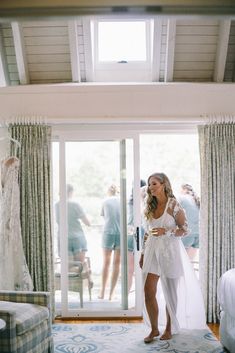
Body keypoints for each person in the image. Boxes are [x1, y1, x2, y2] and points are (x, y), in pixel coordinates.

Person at [139, 173, 206, 343]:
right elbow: (147, 233)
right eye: (149, 184)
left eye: (154, 183)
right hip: (152, 251)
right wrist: (142, 254)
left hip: (170, 251)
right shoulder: (149, 205)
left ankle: (169, 327)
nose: (150, 187)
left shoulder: (173, 204)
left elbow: (185, 229)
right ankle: (154, 329)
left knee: (170, 292)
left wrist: (166, 232)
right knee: (148, 291)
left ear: (163, 184)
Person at [55, 184, 91, 268]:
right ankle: (87, 278)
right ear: (70, 192)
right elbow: (87, 223)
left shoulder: (56, 205)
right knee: (79, 268)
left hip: (63, 238)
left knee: (68, 270)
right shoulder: (75, 204)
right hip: (77, 238)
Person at [99, 184, 120, 300]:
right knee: (117, 264)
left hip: (108, 232)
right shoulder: (123, 201)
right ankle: (111, 294)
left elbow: (104, 216)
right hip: (121, 233)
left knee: (106, 263)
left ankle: (102, 292)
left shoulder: (105, 201)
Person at [127, 179, 146, 293]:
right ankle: (128, 296)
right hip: (131, 235)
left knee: (140, 269)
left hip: (142, 236)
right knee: (130, 269)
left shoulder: (146, 203)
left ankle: (140, 299)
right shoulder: (130, 202)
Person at [178, 183, 200, 261]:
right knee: (190, 264)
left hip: (187, 234)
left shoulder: (182, 198)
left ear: (184, 190)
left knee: (183, 264)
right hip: (198, 235)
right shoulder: (196, 199)